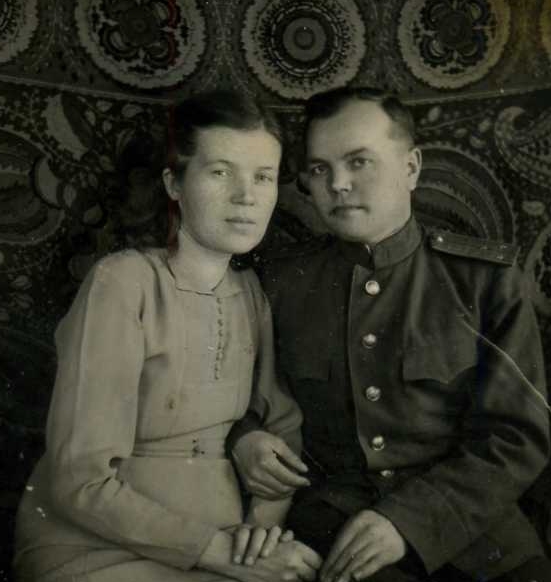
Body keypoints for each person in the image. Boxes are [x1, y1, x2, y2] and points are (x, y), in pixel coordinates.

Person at [229, 87, 551, 582]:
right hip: (334, 536)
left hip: (478, 540)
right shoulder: (278, 284)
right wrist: (245, 438)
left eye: (359, 162)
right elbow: (229, 397)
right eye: (319, 169)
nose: (338, 183)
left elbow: (518, 436)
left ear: (411, 167)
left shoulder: (483, 281)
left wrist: (408, 521)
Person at [13, 90, 322, 582]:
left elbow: (282, 427)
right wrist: (220, 553)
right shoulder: (122, 282)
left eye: (263, 176)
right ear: (174, 182)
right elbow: (80, 479)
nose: (246, 195)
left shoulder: (252, 294)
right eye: (220, 172)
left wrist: (260, 538)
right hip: (96, 545)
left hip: (226, 539)